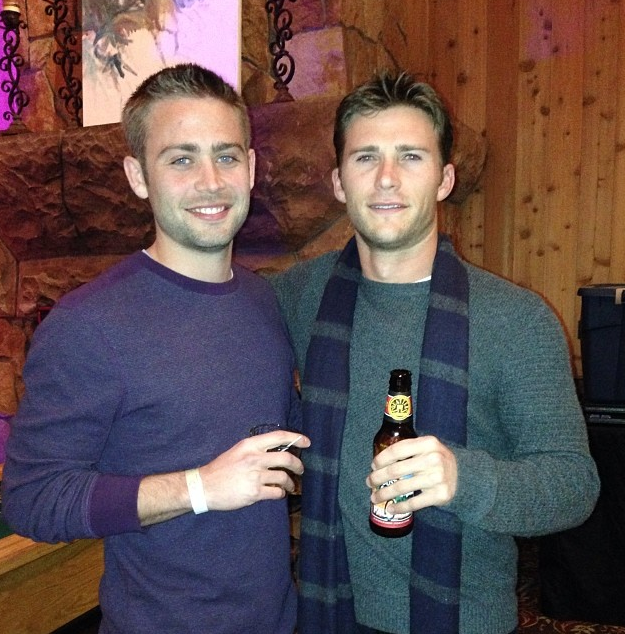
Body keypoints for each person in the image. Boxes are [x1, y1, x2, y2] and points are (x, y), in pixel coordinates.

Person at [270, 71, 599, 634]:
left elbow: (573, 486)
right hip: (327, 610)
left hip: (461, 619)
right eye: (366, 157)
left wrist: (463, 478)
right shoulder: (297, 296)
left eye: (411, 156)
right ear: (339, 182)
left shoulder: (517, 319)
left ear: (445, 179)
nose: (387, 178)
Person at [1, 64, 309, 634]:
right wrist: (199, 488)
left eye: (226, 156)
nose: (211, 181)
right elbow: (31, 499)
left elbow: (279, 437)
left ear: (250, 168)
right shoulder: (88, 325)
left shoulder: (262, 299)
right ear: (138, 176)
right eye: (181, 160)